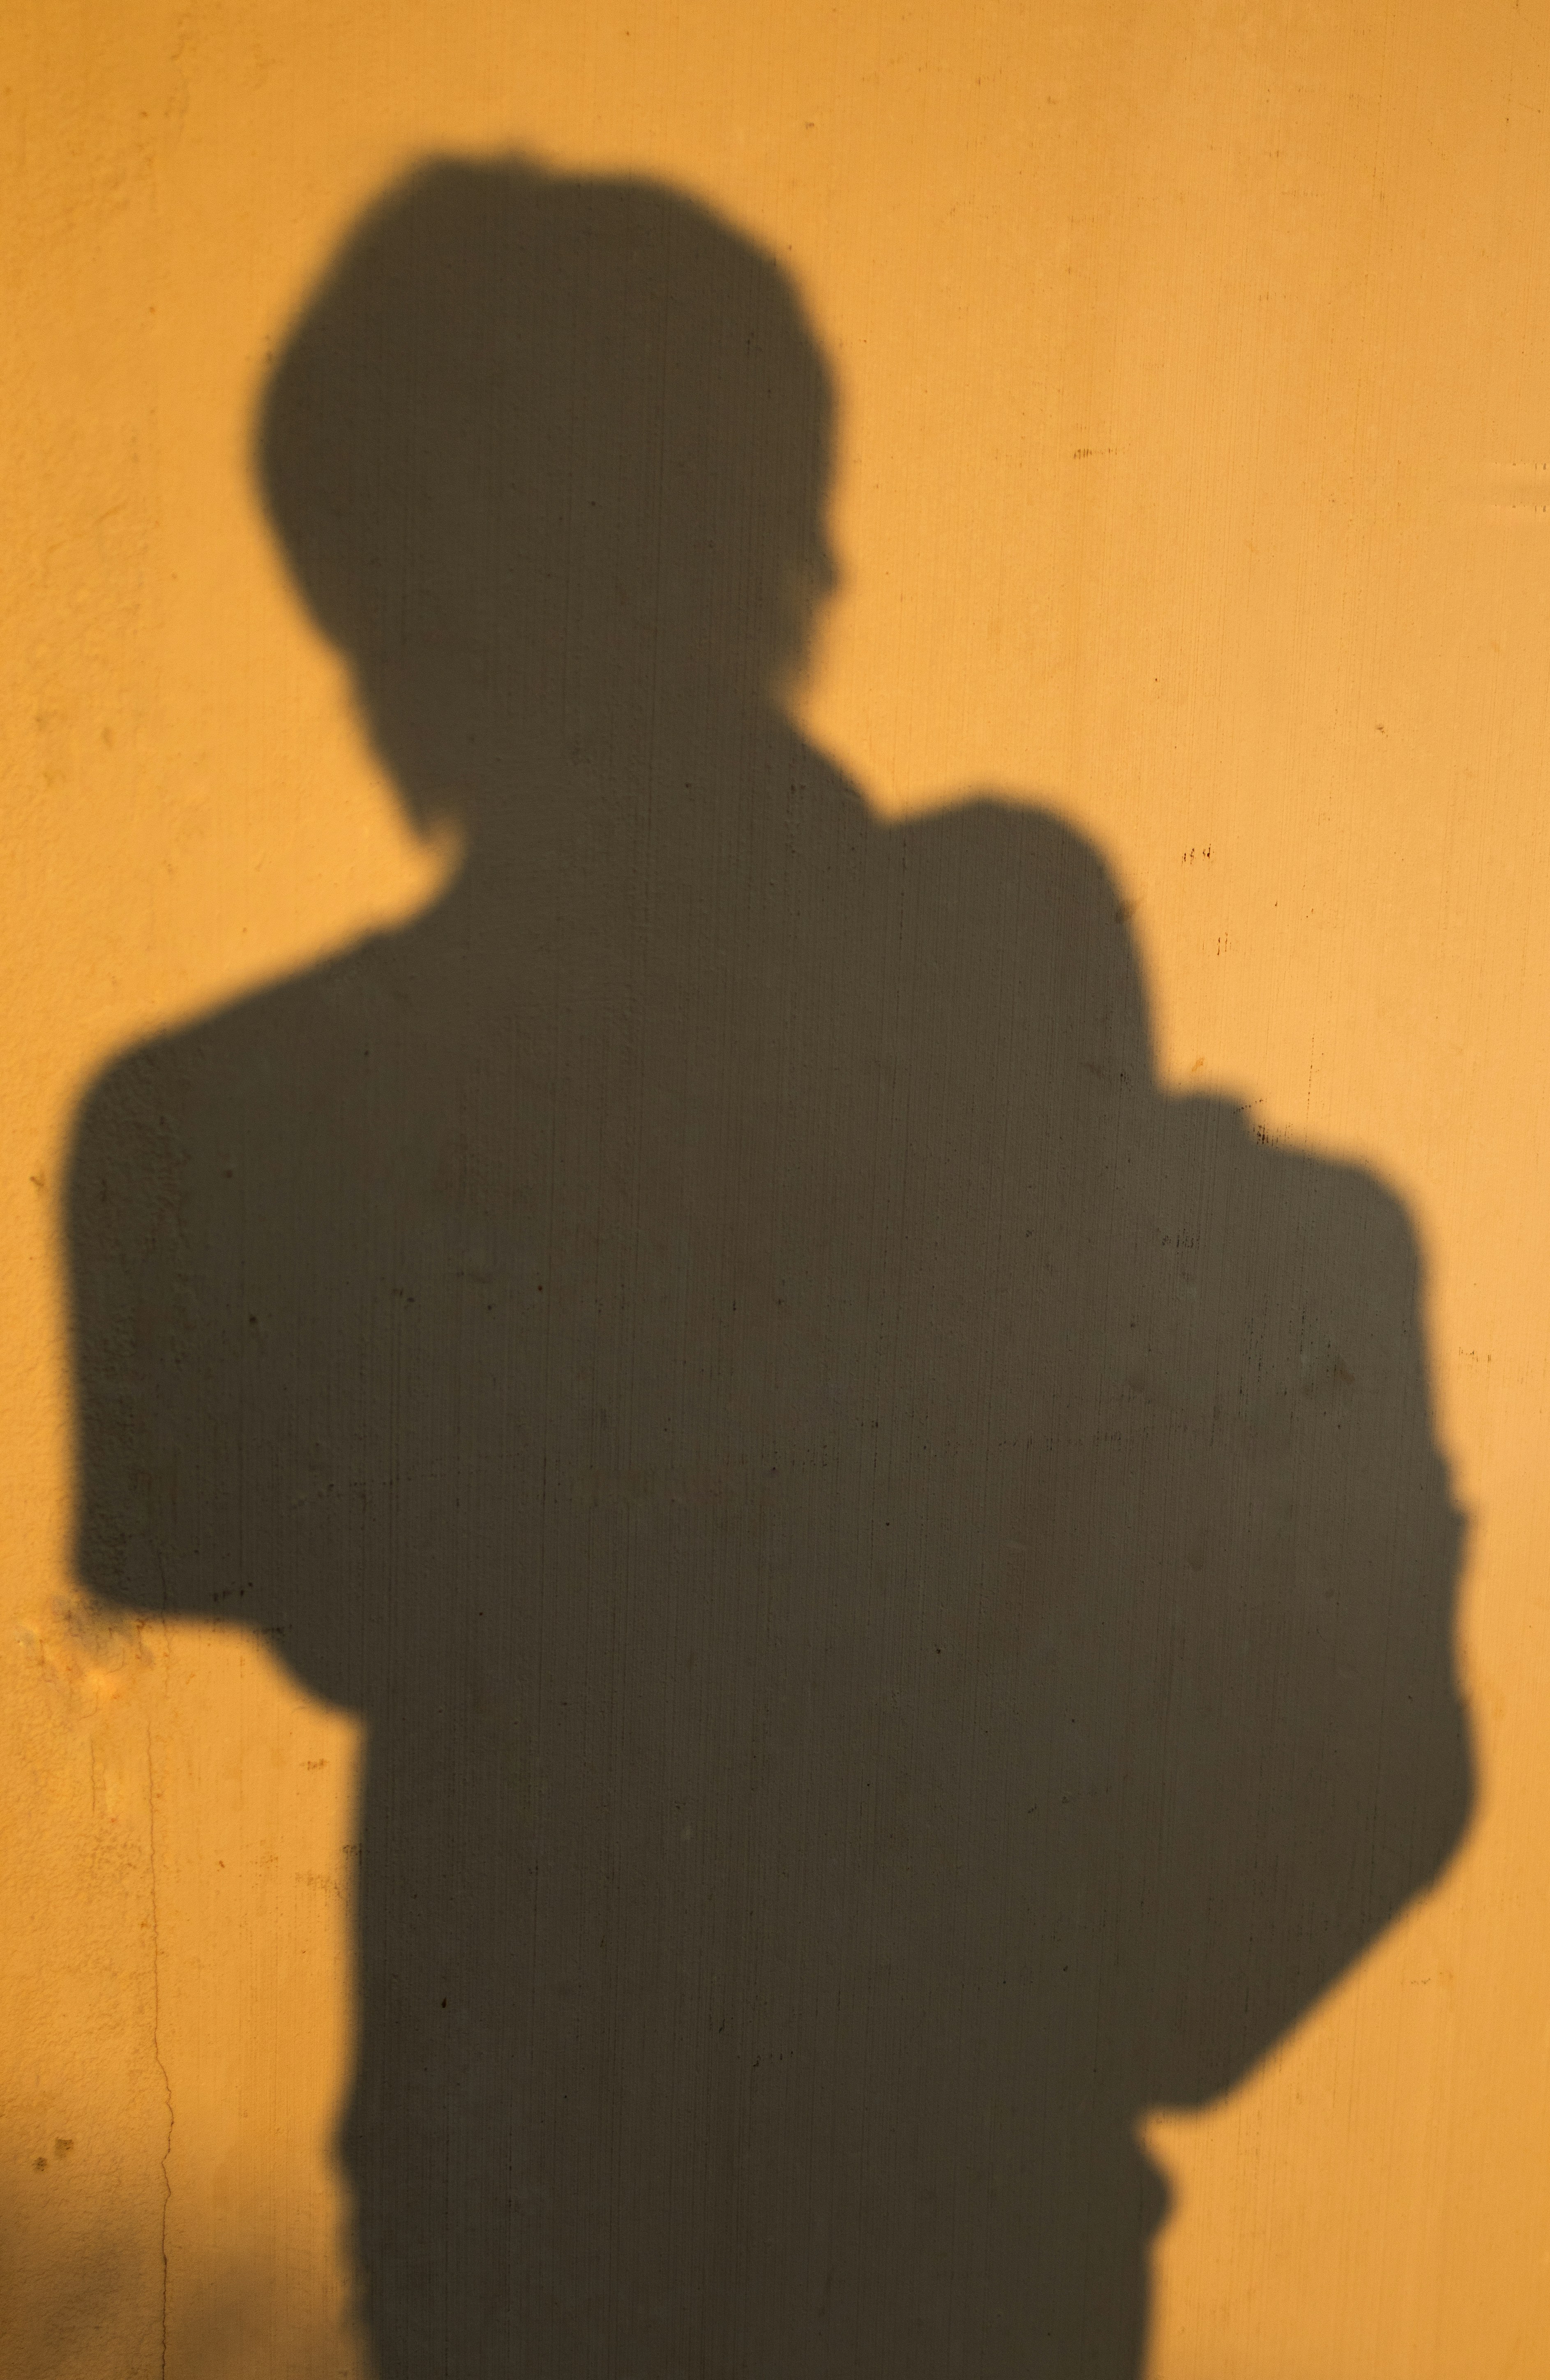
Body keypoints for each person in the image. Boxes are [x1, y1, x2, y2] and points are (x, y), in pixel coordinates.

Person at [68, 158, 1471, 2379]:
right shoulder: (996, 1014)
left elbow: (217, 1494)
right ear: (786, 532)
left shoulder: (228, 1141)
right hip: (948, 2250)